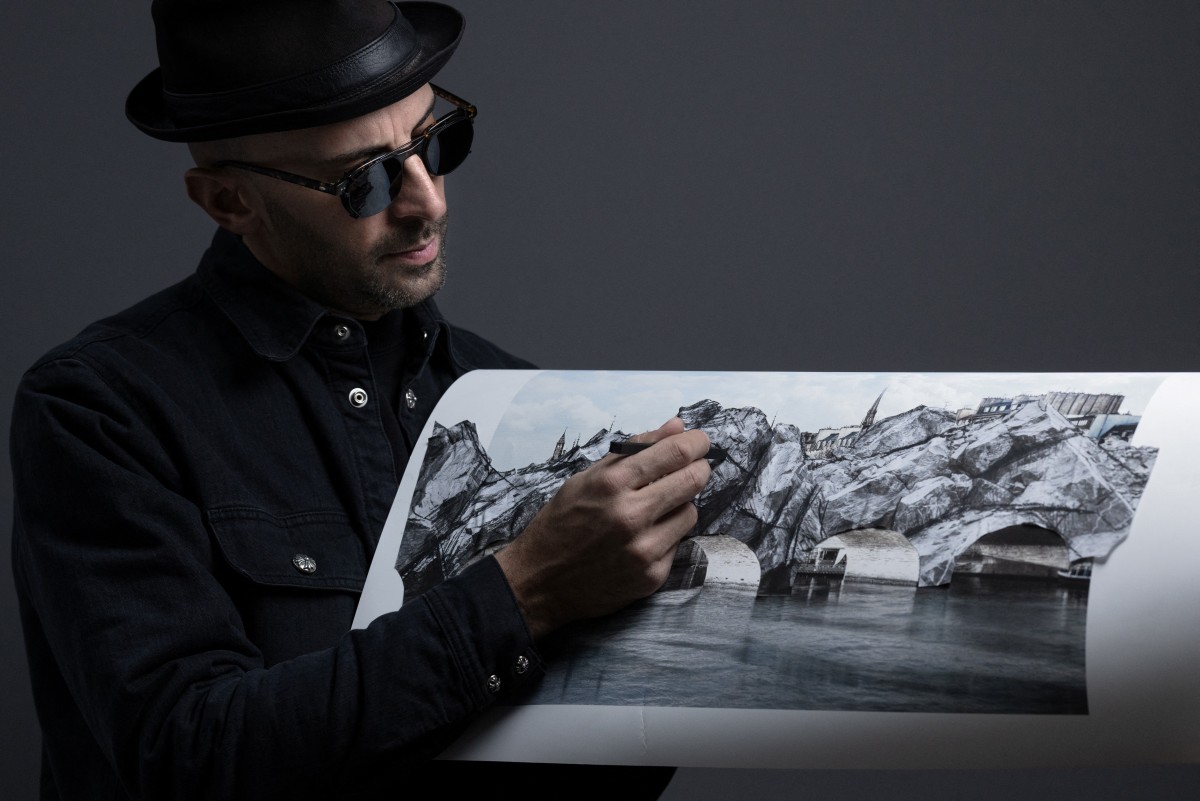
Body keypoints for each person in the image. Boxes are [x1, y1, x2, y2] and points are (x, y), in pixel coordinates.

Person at [9, 1, 711, 799]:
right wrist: (527, 590)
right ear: (228, 202)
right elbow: (186, 756)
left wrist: (649, 644)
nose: (429, 202)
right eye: (365, 180)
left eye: (438, 142)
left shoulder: (519, 399)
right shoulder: (100, 408)